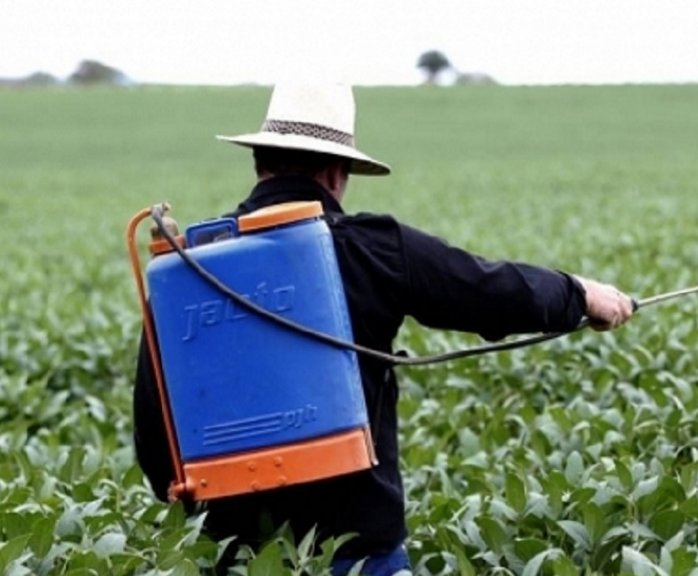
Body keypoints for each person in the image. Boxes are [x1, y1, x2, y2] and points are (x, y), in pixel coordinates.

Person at [132, 84, 634, 575]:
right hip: (361, 552)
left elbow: (157, 446)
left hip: (236, 556)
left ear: (259, 162)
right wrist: (579, 295)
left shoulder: (184, 273)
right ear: (336, 171)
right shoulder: (375, 247)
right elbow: (490, 291)